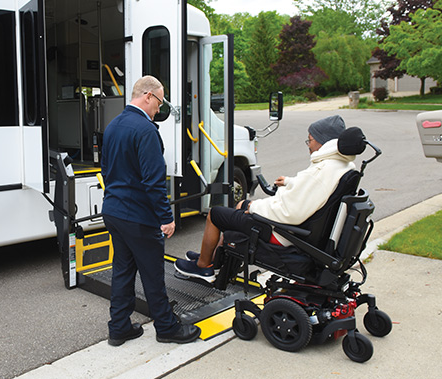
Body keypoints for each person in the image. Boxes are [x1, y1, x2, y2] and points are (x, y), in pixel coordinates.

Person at [175, 115, 357, 283]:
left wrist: (254, 207)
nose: (308, 145)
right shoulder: (341, 166)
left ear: (322, 142)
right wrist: (290, 182)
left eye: (309, 140)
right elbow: (311, 191)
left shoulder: (320, 171)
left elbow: (289, 212)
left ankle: (203, 267)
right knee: (240, 205)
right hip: (300, 230)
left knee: (215, 214)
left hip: (283, 233)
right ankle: (213, 258)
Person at [101, 75, 201, 346]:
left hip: (114, 210)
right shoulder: (145, 131)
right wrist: (166, 218)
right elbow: (153, 181)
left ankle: (119, 327)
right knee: (153, 272)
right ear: (147, 96)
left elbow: (107, 170)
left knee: (122, 270)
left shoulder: (113, 126)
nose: (160, 108)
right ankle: (167, 327)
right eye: (160, 101)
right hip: (138, 216)